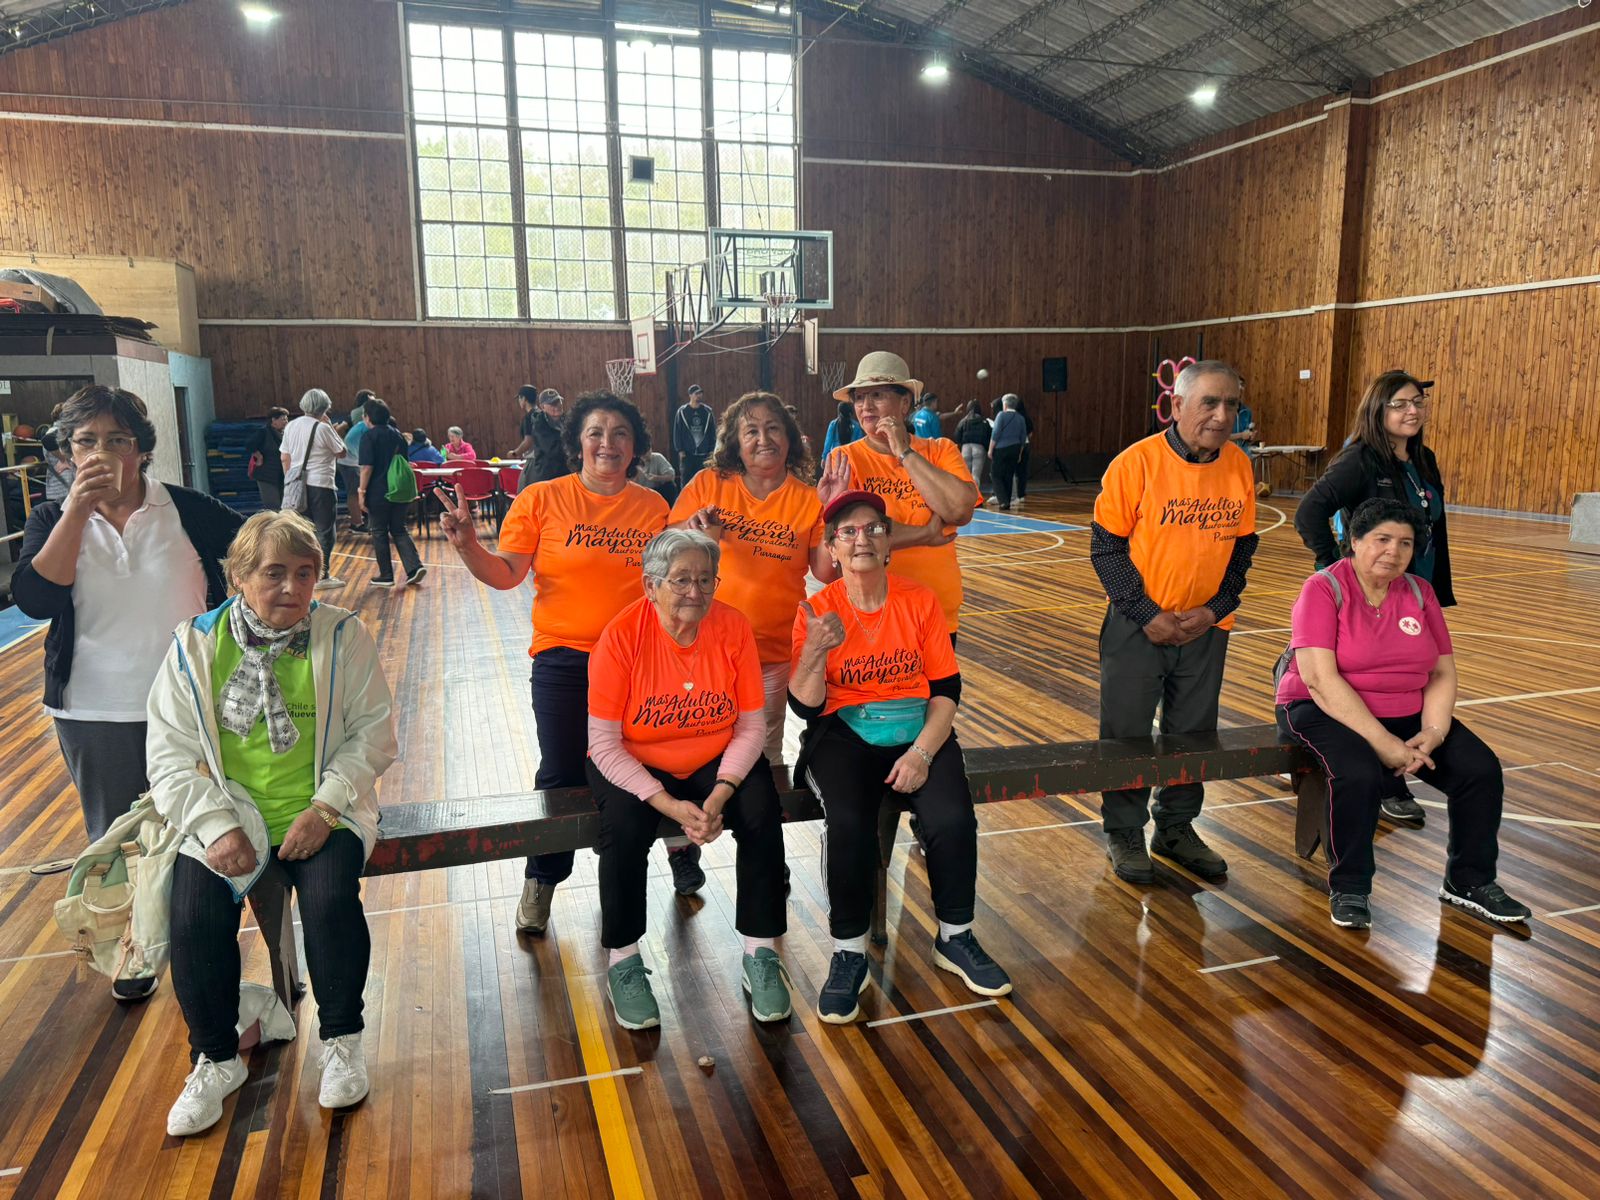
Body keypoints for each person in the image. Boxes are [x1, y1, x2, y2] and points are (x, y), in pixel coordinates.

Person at [146, 510, 398, 1135]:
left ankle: (341, 1040)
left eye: (305, 573)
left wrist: (326, 807)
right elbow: (169, 754)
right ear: (238, 576)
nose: (291, 587)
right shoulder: (195, 645)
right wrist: (213, 826)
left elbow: (374, 734)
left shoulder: (343, 636)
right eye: (273, 573)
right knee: (194, 917)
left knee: (330, 897)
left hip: (323, 810)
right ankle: (215, 1056)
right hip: (227, 813)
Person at [14, 386, 242, 1001]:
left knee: (203, 832)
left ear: (141, 451)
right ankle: (132, 953)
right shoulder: (50, 520)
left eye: (118, 439)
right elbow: (36, 601)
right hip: (94, 708)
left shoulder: (187, 509)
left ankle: (207, 951)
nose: (102, 452)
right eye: (85, 441)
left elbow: (257, 550)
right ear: (66, 455)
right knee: (116, 841)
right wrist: (75, 514)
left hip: (192, 706)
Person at [440, 391, 668, 936]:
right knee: (562, 771)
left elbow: (670, 585)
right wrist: (469, 544)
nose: (607, 443)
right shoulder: (541, 498)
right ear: (578, 441)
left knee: (649, 763)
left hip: (637, 659)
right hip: (563, 658)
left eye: (619, 433)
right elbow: (505, 574)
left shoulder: (654, 507)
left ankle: (678, 849)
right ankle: (542, 879)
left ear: (634, 446)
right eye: (596, 432)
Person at [789, 491, 1011, 1023]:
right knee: (848, 822)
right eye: (848, 532)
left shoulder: (919, 601)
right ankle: (848, 951)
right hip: (842, 735)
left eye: (872, 529)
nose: (861, 538)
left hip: (918, 731)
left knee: (952, 816)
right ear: (832, 549)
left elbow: (946, 690)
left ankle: (955, 937)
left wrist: (921, 753)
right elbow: (805, 705)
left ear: (888, 544)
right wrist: (816, 650)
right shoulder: (818, 611)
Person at [1276, 499, 1530, 930]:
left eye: (1405, 543)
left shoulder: (1419, 591)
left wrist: (1434, 729)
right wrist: (1383, 743)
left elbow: (1442, 671)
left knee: (1480, 770)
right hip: (1321, 708)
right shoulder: (1322, 589)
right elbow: (1320, 679)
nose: (1393, 551)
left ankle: (1468, 881)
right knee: (1357, 774)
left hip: (1405, 709)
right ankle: (1351, 885)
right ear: (1354, 542)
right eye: (1382, 540)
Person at [586, 528, 792, 1029]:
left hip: (712, 757)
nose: (695, 593)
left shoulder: (733, 628)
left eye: (705, 580)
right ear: (649, 584)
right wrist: (667, 805)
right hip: (635, 761)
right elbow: (603, 744)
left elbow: (750, 727)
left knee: (762, 810)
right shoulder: (620, 637)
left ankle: (761, 952)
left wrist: (721, 793)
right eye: (680, 580)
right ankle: (624, 960)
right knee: (625, 829)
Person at [1090, 360, 1258, 885]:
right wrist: (1146, 615)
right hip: (1138, 628)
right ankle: (1123, 830)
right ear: (1177, 405)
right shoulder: (1135, 464)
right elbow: (1107, 551)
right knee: (1126, 734)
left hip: (1207, 629)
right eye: (1209, 402)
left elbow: (1243, 551)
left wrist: (1216, 609)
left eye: (1231, 403)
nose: (1222, 414)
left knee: (1194, 735)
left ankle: (1176, 827)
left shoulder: (1239, 466)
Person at [1295, 370, 1454, 826]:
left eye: (1418, 403)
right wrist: (1330, 565)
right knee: (1364, 678)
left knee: (1410, 677)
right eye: (1401, 403)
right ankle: (1387, 778)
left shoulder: (1425, 459)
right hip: (1366, 589)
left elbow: (1432, 527)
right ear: (1378, 410)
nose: (1413, 411)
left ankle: (1402, 757)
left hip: (1413, 590)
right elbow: (1310, 512)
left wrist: (1435, 586)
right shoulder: (1359, 460)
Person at [673, 392, 837, 766]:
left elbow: (826, 571)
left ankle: (761, 824)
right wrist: (693, 527)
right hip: (705, 649)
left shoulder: (808, 498)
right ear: (735, 442)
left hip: (772, 651)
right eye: (751, 431)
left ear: (790, 438)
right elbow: (667, 547)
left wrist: (833, 509)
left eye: (773, 428)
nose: (764, 439)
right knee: (701, 748)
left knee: (763, 753)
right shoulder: (708, 485)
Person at [823, 351, 979, 640]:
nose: (866, 406)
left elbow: (960, 511)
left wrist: (905, 453)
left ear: (905, 402)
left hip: (937, 613)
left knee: (940, 688)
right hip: (871, 611)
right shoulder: (844, 459)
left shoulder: (940, 450)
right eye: (859, 398)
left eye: (878, 395)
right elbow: (857, 539)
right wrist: (926, 534)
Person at [279, 390, 348, 590]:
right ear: (325, 407)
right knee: (325, 530)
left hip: (296, 485)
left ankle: (301, 573)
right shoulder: (322, 428)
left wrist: (290, 480)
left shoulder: (291, 426)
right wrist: (330, 426)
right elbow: (341, 452)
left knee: (300, 530)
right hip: (321, 485)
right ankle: (322, 575)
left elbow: (285, 457)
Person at [357, 398, 426, 589]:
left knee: (378, 531)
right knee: (399, 528)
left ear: (368, 417)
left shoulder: (369, 437)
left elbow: (366, 468)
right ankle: (414, 567)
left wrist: (361, 492)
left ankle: (386, 574)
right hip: (399, 489)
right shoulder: (398, 435)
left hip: (378, 492)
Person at [517, 388, 568, 491]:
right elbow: (553, 450)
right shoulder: (539, 425)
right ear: (543, 407)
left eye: (558, 401)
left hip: (565, 476)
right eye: (552, 404)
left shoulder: (568, 421)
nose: (557, 406)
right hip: (547, 478)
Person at [989, 394, 1029, 510]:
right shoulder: (1020, 418)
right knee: (1008, 474)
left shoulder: (1001, 415)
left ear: (1004, 404)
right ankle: (1007, 500)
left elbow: (995, 434)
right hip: (1015, 449)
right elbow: (1023, 437)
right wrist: (1020, 453)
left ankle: (1003, 501)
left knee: (996, 475)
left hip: (1001, 448)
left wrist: (991, 450)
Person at [247, 408, 289, 511]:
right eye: (283, 419)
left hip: (282, 476)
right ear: (273, 420)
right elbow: (249, 445)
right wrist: (259, 457)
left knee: (285, 506)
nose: (286, 422)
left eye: (286, 419)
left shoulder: (285, 434)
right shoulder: (263, 432)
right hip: (267, 476)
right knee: (273, 506)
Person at [672, 384, 716, 483]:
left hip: (704, 453)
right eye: (696, 393)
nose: (699, 395)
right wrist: (680, 449)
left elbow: (712, 432)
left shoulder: (707, 411)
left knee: (704, 480)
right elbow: (677, 431)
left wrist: (712, 450)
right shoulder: (682, 412)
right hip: (688, 454)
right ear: (690, 395)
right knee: (687, 481)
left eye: (700, 393)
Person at [339, 395, 370, 533]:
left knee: (358, 491)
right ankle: (356, 524)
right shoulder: (359, 421)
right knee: (354, 492)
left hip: (352, 459)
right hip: (348, 462)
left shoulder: (362, 426)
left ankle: (361, 520)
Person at [953, 400, 991, 498]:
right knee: (976, 475)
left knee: (965, 475)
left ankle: (965, 496)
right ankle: (975, 497)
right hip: (979, 448)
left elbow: (957, 435)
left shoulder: (964, 420)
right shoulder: (984, 421)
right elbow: (988, 436)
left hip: (965, 448)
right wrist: (987, 449)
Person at [39, 426, 76, 503]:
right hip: (63, 485)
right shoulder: (61, 429)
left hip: (63, 486)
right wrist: (63, 460)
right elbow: (48, 439)